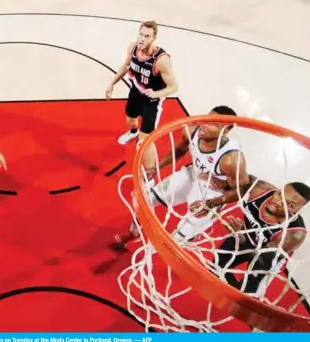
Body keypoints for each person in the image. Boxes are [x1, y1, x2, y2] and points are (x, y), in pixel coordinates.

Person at [112, 106, 249, 249]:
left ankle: (191, 234)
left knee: (176, 241)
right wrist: (156, 167)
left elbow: (241, 190)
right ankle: (134, 233)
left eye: (213, 124)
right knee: (146, 200)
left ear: (225, 131)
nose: (205, 125)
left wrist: (212, 203)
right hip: (192, 174)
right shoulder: (191, 131)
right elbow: (179, 150)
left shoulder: (231, 159)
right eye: (207, 119)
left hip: (212, 192)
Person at [215, 177, 310, 296]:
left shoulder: (294, 234)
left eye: (290, 204)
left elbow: (261, 258)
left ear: (297, 210)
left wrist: (242, 237)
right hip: (244, 236)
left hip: (267, 257)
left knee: (245, 294)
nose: (278, 202)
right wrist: (214, 197)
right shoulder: (260, 190)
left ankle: (244, 291)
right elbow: (239, 177)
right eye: (280, 194)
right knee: (215, 268)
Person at [106, 20, 179, 172]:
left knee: (146, 143)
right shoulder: (132, 48)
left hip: (151, 101)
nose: (142, 39)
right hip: (135, 91)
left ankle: (150, 174)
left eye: (147, 36)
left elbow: (174, 87)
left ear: (154, 38)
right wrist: (112, 83)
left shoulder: (161, 60)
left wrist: (157, 93)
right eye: (140, 34)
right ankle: (133, 132)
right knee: (130, 120)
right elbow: (126, 66)